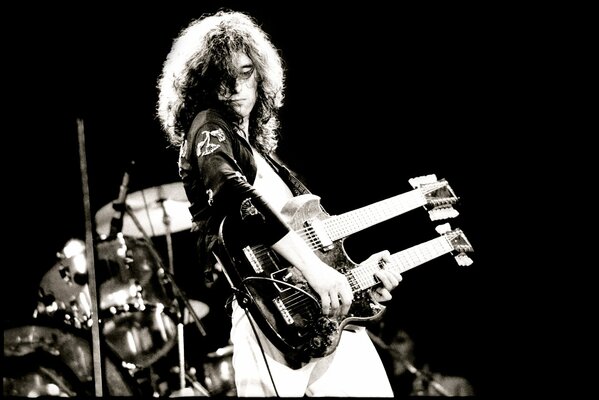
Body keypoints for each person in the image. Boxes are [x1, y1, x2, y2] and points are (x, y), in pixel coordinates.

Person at [156, 10, 402, 397]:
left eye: (245, 72)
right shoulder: (208, 126)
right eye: (220, 76)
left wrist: (362, 281)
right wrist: (316, 273)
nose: (233, 87)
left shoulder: (260, 153)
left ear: (261, 76)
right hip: (271, 317)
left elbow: (317, 249)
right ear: (200, 84)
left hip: (327, 317)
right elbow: (232, 195)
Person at [374, 317, 476, 397]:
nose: (392, 347)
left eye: (400, 341)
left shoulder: (455, 385)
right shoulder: (385, 387)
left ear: (418, 345)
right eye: (390, 341)